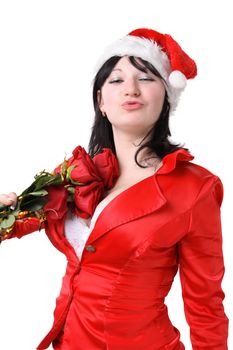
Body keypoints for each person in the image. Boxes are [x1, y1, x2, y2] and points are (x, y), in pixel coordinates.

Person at [0, 28, 229, 349]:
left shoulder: (195, 188)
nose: (130, 90)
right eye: (117, 80)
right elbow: (15, 222)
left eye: (146, 79)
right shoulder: (75, 172)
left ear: (166, 98)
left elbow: (205, 303)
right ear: (100, 101)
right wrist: (4, 212)